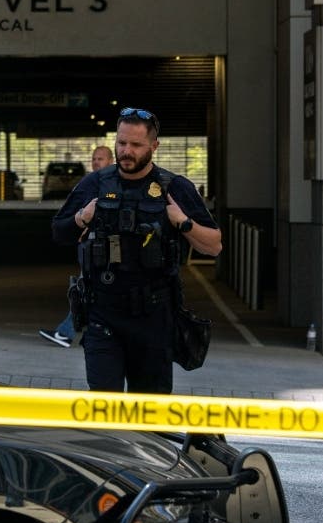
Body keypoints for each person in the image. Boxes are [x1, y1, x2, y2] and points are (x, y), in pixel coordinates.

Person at [51, 108, 221, 394]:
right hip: (103, 314)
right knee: (106, 411)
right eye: (121, 143)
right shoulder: (96, 184)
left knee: (149, 415)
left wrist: (184, 223)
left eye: (136, 145)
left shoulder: (173, 186)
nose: (126, 151)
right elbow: (59, 232)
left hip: (153, 318)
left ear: (154, 146)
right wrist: (83, 217)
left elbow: (214, 245)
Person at [39, 144, 115, 347]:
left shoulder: (114, 183)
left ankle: (67, 333)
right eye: (94, 158)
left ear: (111, 161)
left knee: (87, 289)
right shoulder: (90, 183)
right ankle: (85, 333)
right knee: (93, 290)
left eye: (101, 158)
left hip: (108, 246)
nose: (96, 162)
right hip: (91, 245)